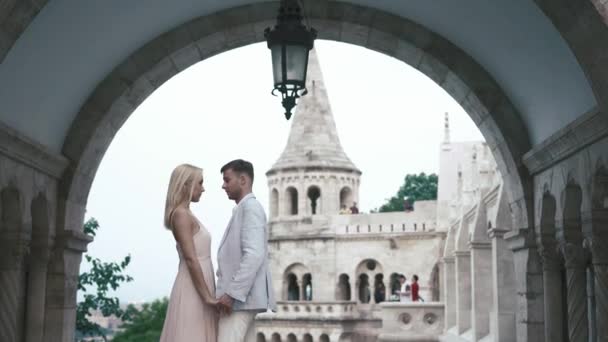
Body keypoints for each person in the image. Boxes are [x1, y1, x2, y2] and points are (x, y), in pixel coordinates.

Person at [216, 159, 276, 341]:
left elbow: (254, 255)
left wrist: (232, 294)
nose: (223, 186)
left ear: (242, 180)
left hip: (241, 301)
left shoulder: (250, 208)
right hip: (244, 300)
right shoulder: (244, 208)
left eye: (227, 180)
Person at [160, 164, 218, 342]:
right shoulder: (181, 215)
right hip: (193, 288)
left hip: (200, 285)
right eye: (200, 183)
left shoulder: (187, 214)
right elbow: (191, 259)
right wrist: (207, 297)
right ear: (186, 185)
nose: (203, 188)